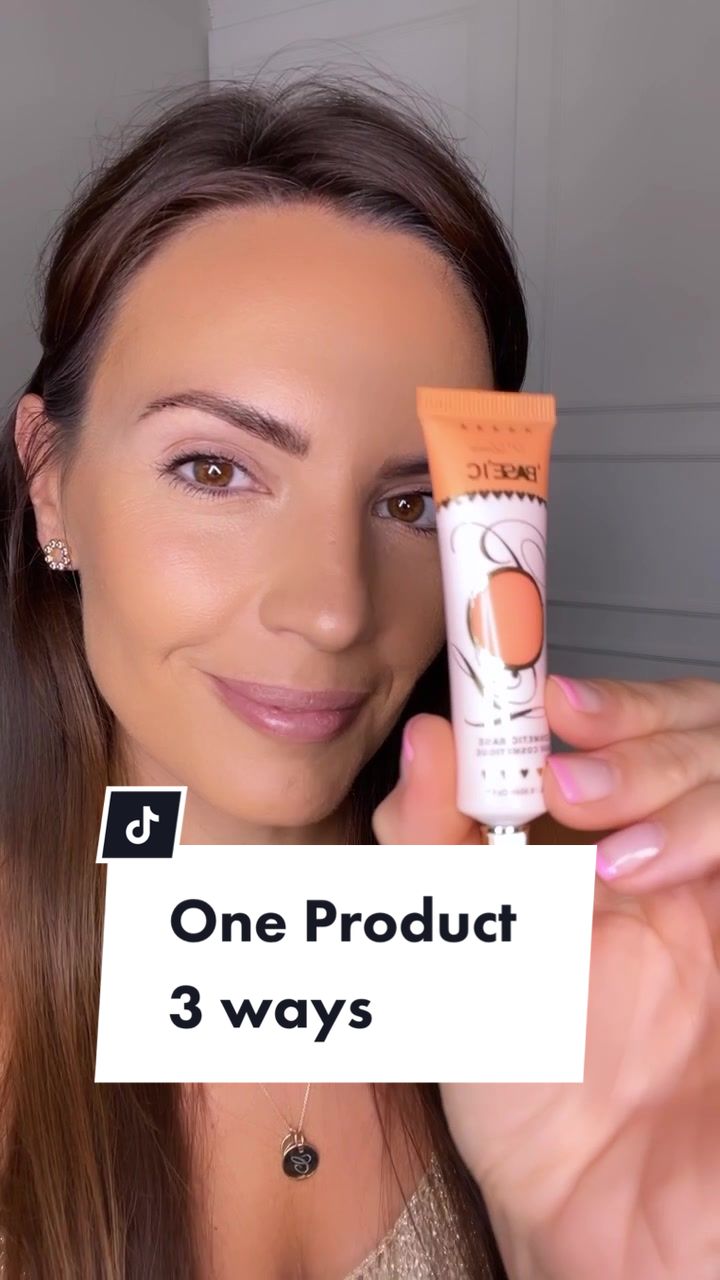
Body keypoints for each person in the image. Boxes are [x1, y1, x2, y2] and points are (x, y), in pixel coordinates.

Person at [0, 75, 717, 1280]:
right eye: (216, 470)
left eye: (414, 502)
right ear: (51, 480)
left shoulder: (601, 956)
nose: (336, 609)